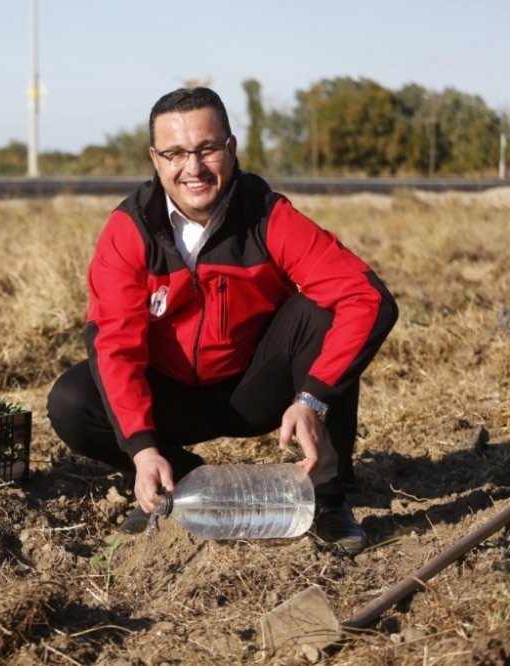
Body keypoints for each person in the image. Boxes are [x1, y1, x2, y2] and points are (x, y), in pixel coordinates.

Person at [46, 87, 398, 555]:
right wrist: (142, 449)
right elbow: (115, 345)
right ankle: (170, 475)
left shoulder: (267, 214)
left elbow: (367, 297)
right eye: (174, 153)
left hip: (257, 390)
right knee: (72, 399)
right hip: (170, 398)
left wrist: (312, 398)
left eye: (206, 149)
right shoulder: (129, 230)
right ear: (155, 158)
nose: (192, 168)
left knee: (323, 310)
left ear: (230, 149)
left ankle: (329, 499)